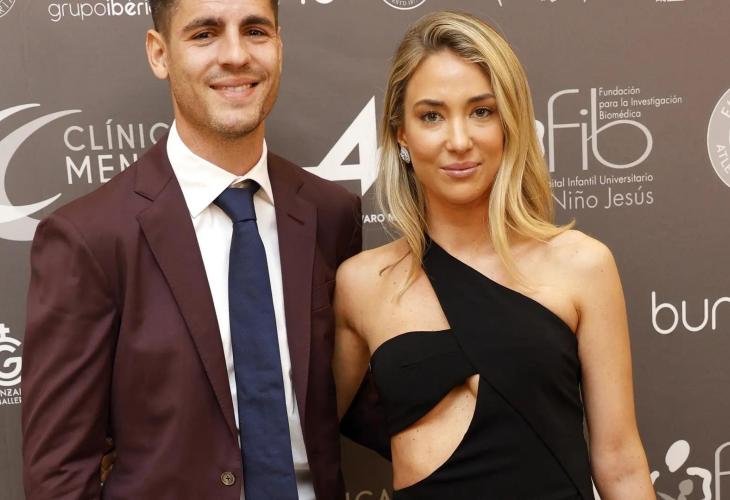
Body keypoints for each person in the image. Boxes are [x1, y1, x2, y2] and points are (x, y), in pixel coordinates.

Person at [21, 0, 375, 498]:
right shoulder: (89, 238)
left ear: (279, 45)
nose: (235, 55)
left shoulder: (331, 213)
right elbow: (58, 473)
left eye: (255, 31)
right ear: (159, 53)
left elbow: (353, 400)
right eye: (205, 34)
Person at [334, 11, 656, 500]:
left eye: (481, 111)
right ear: (401, 134)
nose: (459, 141)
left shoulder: (582, 266)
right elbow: (303, 442)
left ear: (509, 122)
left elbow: (620, 463)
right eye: (431, 116)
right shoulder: (362, 283)